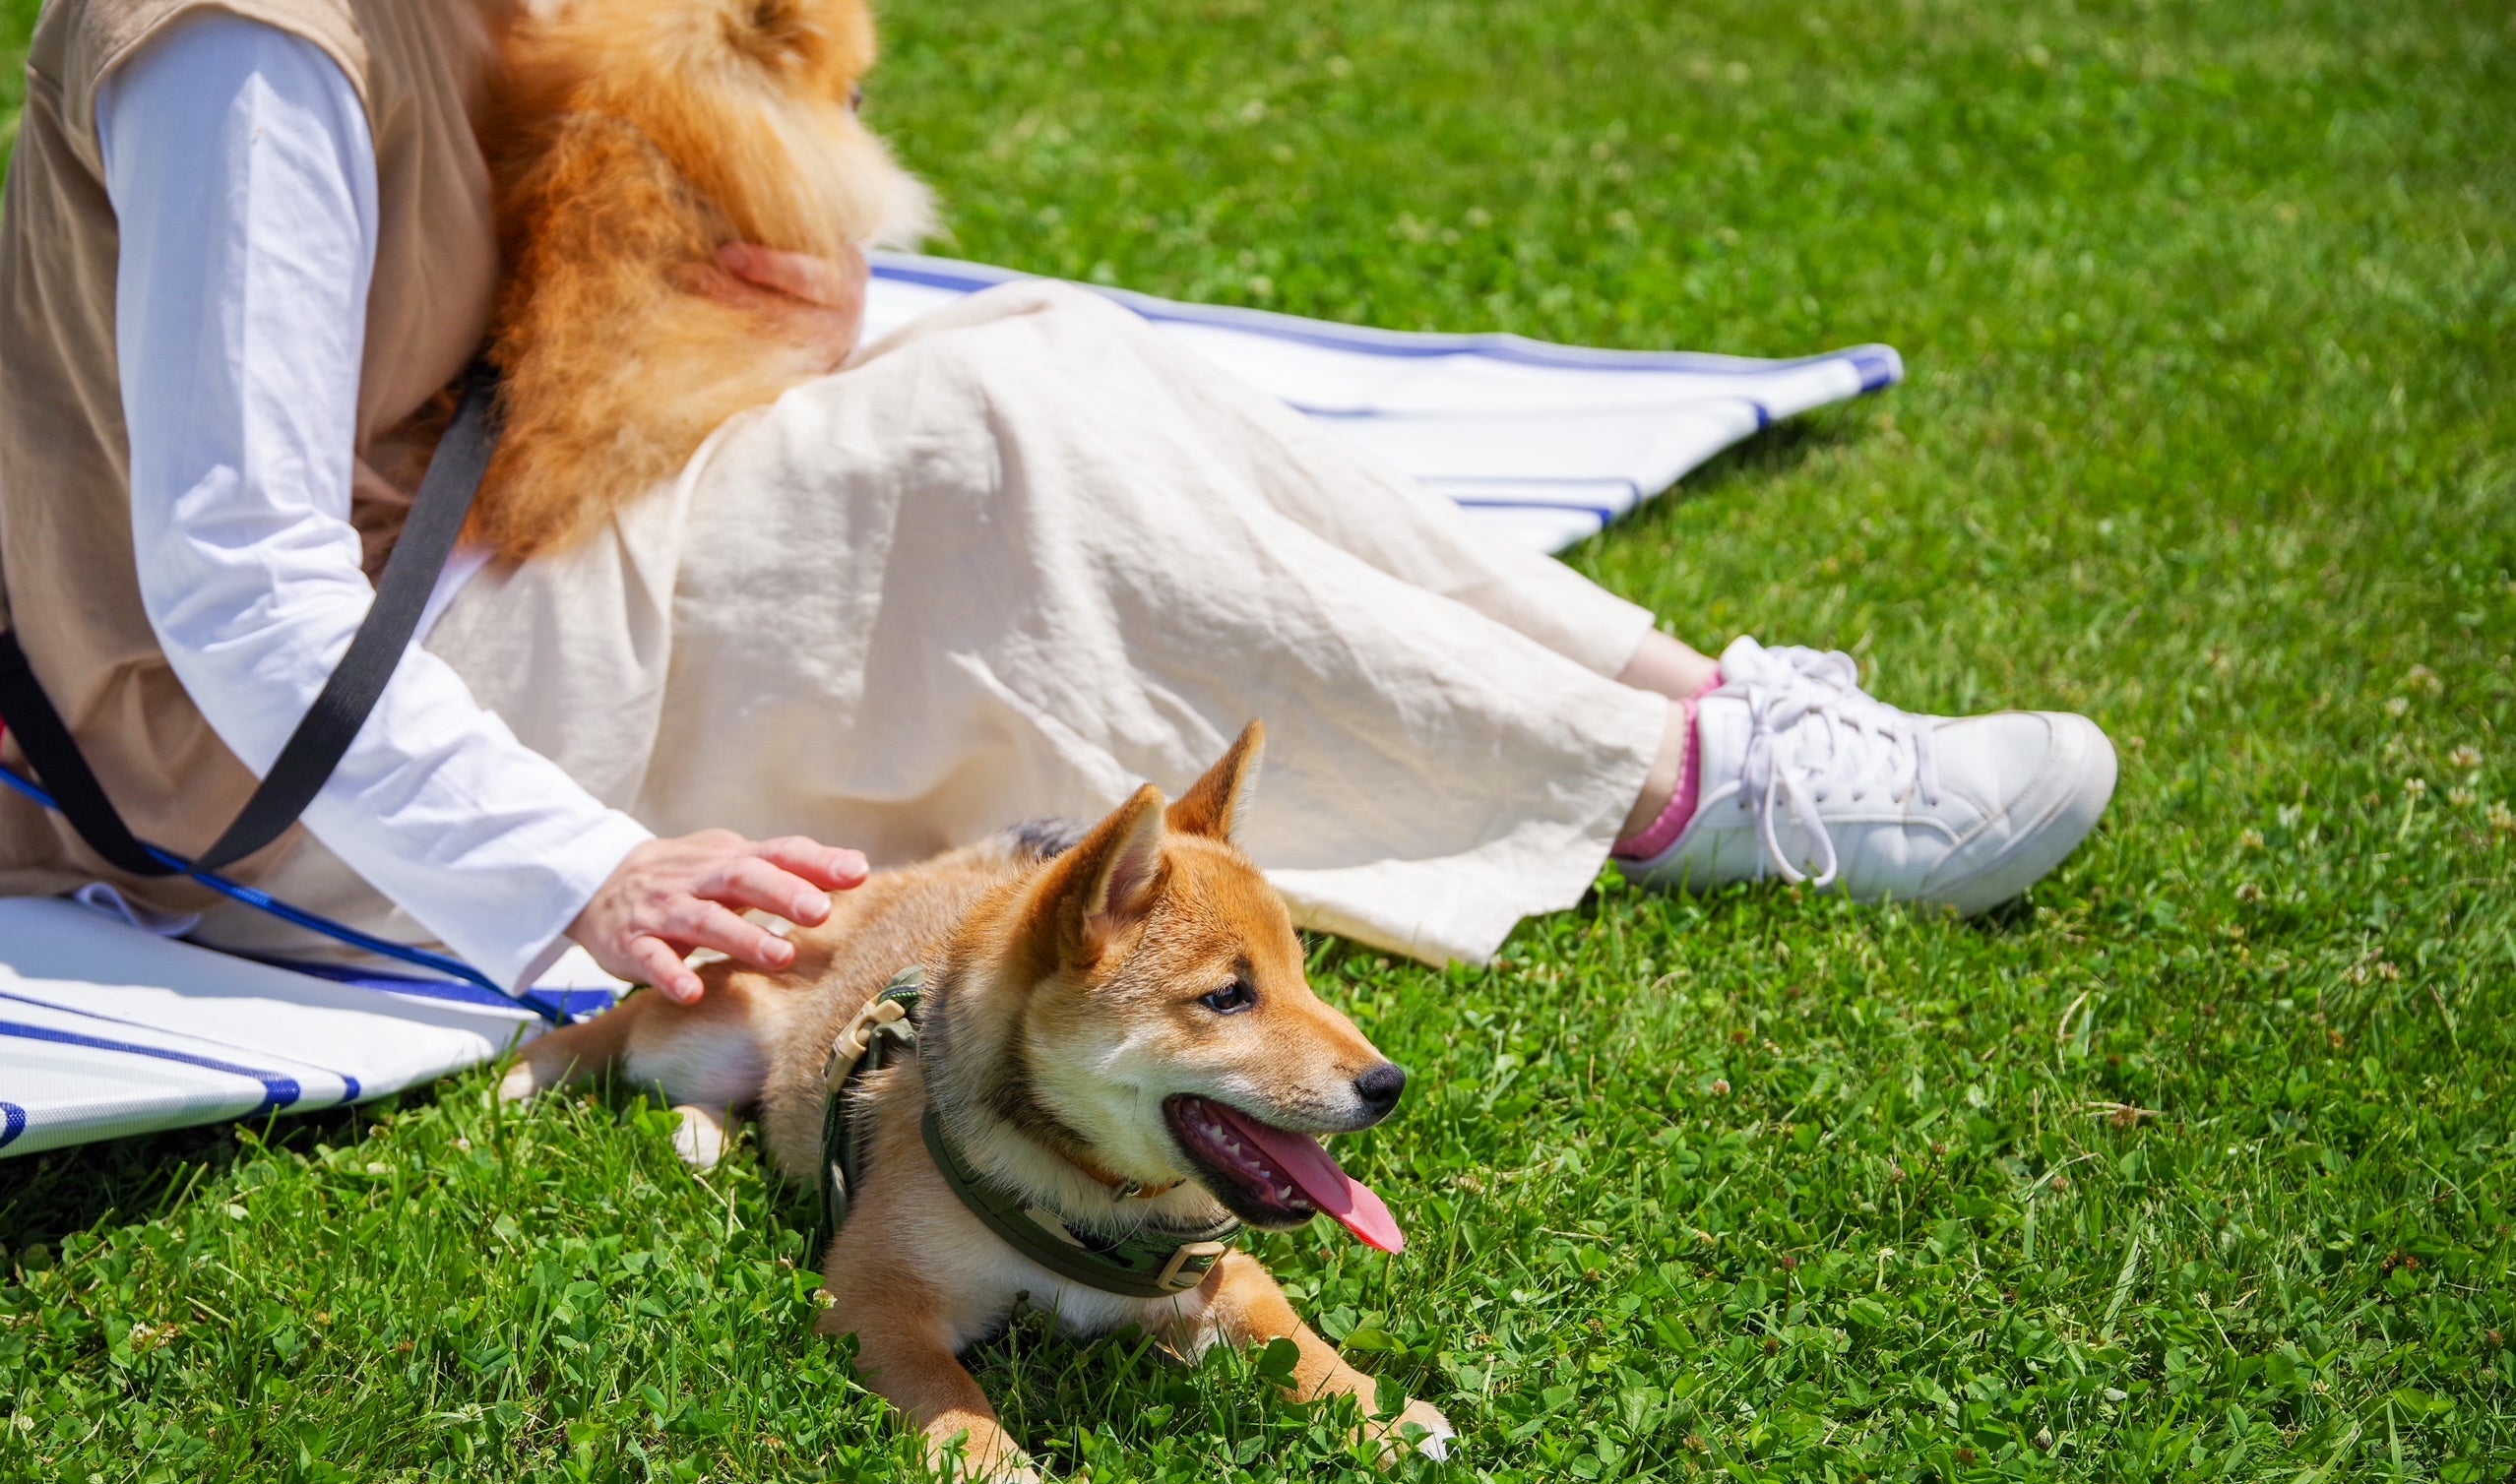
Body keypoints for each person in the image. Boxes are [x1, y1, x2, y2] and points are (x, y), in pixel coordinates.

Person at [0, 2, 2113, 1009]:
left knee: (1050, 352)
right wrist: (584, 876)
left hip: (460, 595)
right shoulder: (243, 39)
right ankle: (1677, 794)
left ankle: (1699, 708)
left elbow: (510, 332)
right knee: (991, 451)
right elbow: (240, 571)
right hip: (253, 771)